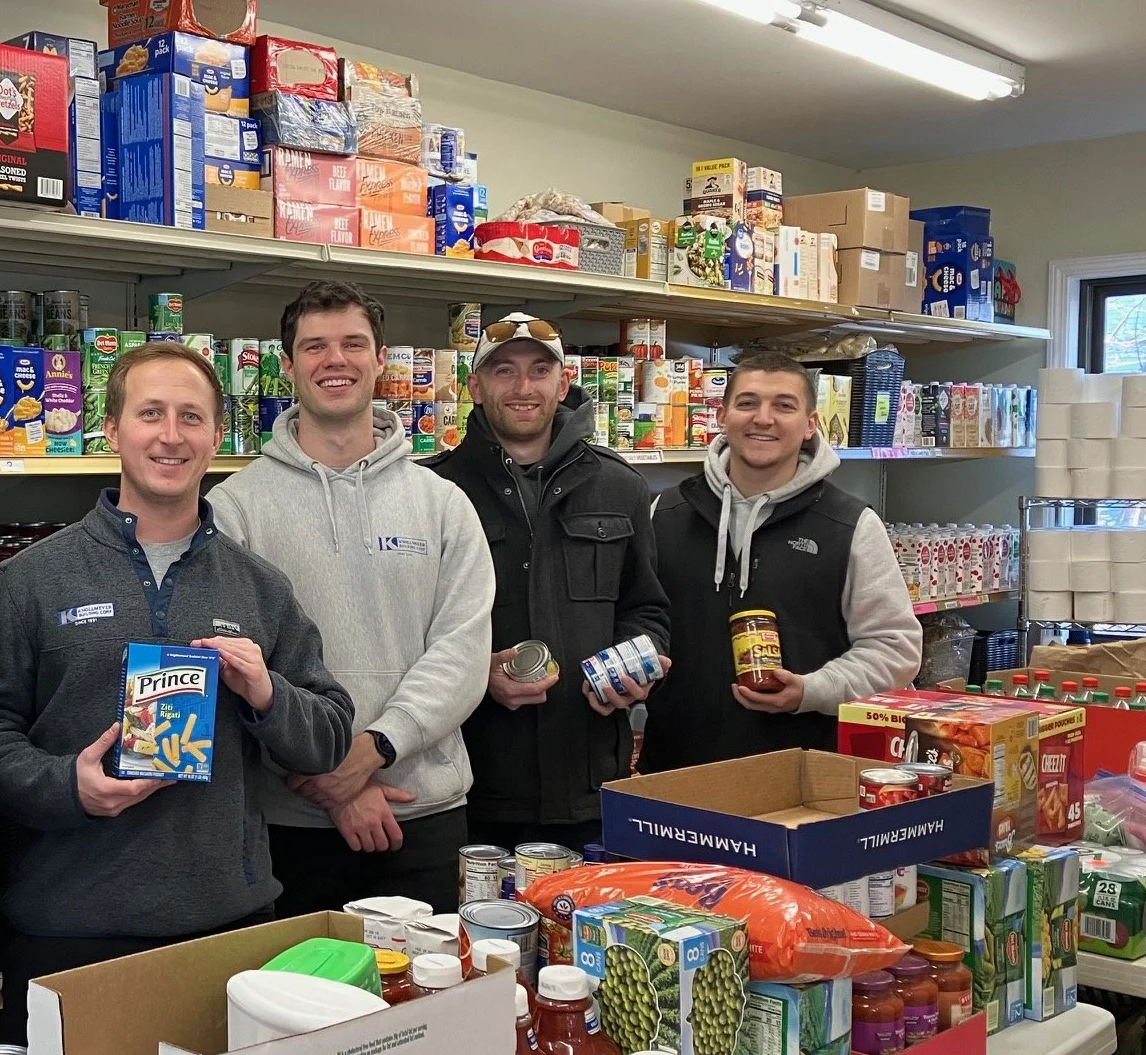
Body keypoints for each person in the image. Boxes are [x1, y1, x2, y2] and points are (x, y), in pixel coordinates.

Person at [0, 340, 354, 1039]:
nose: (171, 436)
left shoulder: (258, 585)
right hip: (69, 931)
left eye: (191, 417)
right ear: (112, 430)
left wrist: (267, 694)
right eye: (150, 414)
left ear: (215, 437)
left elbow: (328, 736)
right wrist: (67, 787)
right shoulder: (32, 579)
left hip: (228, 930)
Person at [208, 281, 492, 915]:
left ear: (381, 358)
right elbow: (227, 668)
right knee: (296, 1013)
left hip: (422, 812)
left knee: (432, 1006)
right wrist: (329, 785)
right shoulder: (233, 509)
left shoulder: (443, 503)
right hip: (284, 821)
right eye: (314, 346)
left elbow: (462, 652)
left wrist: (370, 753)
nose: (334, 360)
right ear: (286, 365)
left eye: (352, 344)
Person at [426, 313, 671, 854]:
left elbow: (647, 609)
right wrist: (477, 675)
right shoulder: (434, 490)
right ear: (474, 386)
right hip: (470, 788)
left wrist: (643, 661)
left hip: (588, 787)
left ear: (562, 384)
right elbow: (405, 632)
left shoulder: (620, 485)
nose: (522, 387)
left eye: (539, 371)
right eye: (503, 371)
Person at [640, 350, 922, 770]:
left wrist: (812, 690)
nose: (763, 418)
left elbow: (894, 648)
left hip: (803, 775)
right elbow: (635, 620)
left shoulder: (850, 525)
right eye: (747, 402)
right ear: (722, 416)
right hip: (672, 769)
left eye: (783, 406)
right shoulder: (662, 513)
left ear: (810, 424)